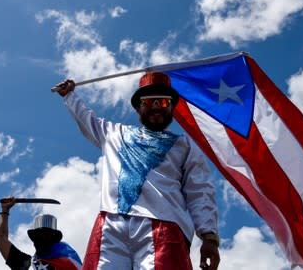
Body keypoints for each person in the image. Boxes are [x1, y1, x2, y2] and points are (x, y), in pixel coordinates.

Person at [55, 72, 220, 270]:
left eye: (164, 102)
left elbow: (200, 191)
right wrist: (69, 95)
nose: (157, 108)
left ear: (173, 108)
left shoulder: (185, 146)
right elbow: (86, 119)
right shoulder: (114, 134)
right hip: (111, 225)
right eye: (150, 102)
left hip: (164, 227)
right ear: (138, 107)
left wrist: (208, 235)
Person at [0, 197, 82, 270]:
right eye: (39, 235)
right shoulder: (26, 264)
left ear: (54, 238)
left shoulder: (69, 262)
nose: (42, 238)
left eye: (46, 235)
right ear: (33, 238)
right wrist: (5, 210)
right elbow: (0, 238)